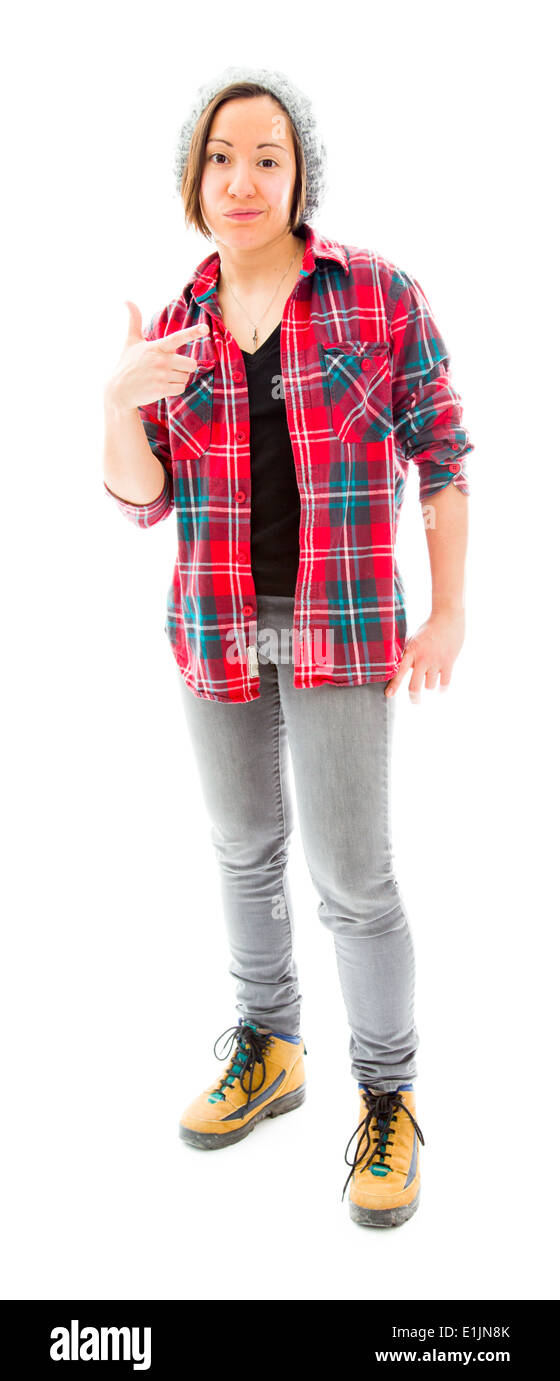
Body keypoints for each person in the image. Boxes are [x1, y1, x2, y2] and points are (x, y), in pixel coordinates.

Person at [102, 65, 474, 1228]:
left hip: (345, 624)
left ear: (299, 172)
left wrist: (448, 608)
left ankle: (387, 1097)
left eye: (267, 155)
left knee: (353, 879)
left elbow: (444, 456)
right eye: (221, 156)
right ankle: (269, 1047)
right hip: (215, 624)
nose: (243, 177)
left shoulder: (375, 294)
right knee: (242, 848)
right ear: (192, 180)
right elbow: (139, 501)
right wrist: (115, 400)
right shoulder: (172, 326)